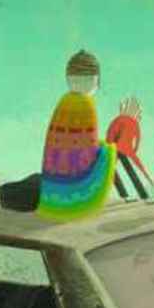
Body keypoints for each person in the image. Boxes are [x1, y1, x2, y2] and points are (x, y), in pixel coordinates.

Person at [37, 50, 118, 222]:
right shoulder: (87, 104)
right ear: (94, 80)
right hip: (79, 178)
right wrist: (108, 149)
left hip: (53, 181)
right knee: (109, 151)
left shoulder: (64, 100)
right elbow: (89, 149)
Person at [106, 96, 154, 200]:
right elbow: (137, 142)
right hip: (118, 149)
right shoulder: (132, 123)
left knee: (115, 170)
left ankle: (127, 195)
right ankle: (142, 196)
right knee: (127, 170)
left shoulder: (120, 120)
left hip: (114, 148)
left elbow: (110, 134)